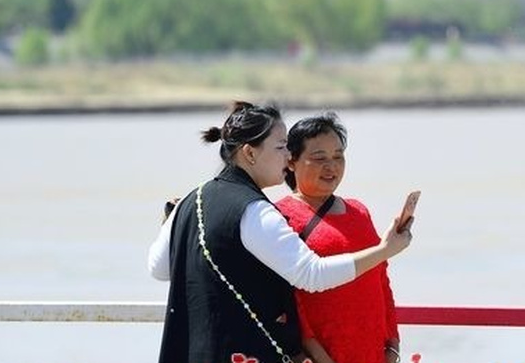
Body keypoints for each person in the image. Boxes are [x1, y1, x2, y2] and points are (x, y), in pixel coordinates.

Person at [147, 102, 413, 363]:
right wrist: (385, 250)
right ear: (250, 153)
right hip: (244, 351)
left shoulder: (190, 201)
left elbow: (159, 268)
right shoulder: (255, 210)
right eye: (281, 146)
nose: (288, 156)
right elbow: (311, 274)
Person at [275, 112, 403, 363]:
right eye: (319, 158)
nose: (331, 166)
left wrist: (393, 343)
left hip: (373, 352)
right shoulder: (279, 216)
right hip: (322, 354)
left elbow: (381, 279)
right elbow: (287, 297)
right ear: (291, 161)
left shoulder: (359, 210)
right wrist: (317, 354)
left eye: (338, 156)